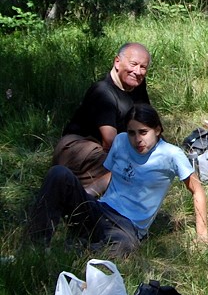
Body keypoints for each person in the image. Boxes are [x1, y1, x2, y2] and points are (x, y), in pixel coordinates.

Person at [28, 104, 208, 256]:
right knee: (59, 173)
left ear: (157, 130)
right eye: (132, 132)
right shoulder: (121, 141)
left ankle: (74, 253)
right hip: (100, 209)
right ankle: (34, 248)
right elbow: (111, 175)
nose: (137, 139)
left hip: (127, 226)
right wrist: (83, 196)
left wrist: (202, 234)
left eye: (143, 132)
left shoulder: (172, 154)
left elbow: (197, 190)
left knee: (125, 248)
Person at [53, 42, 152, 196]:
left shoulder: (137, 86)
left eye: (143, 67)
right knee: (131, 169)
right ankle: (80, 199)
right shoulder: (103, 92)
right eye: (133, 64)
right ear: (117, 62)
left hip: (108, 149)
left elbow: (148, 121)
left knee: (141, 167)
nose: (137, 71)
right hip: (79, 148)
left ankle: (85, 195)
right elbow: (110, 141)